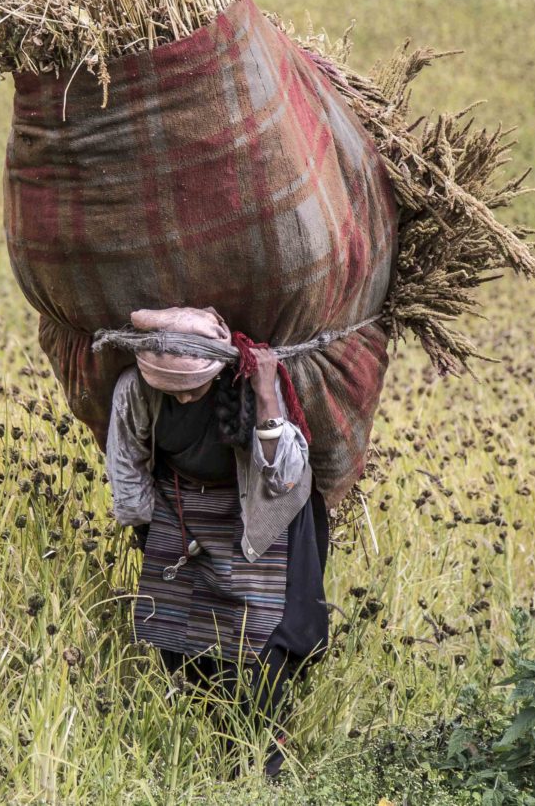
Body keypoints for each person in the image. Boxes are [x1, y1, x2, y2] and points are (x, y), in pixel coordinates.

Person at [104, 306, 331, 780]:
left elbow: (287, 476)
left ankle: (268, 755)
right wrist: (151, 535)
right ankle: (225, 744)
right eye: (173, 388)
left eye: (193, 385)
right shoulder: (134, 390)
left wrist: (267, 395)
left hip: (262, 512)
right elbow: (126, 467)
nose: (185, 398)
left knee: (273, 639)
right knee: (186, 640)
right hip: (183, 513)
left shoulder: (250, 385)